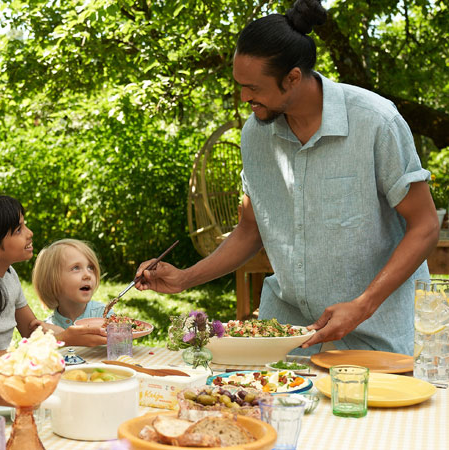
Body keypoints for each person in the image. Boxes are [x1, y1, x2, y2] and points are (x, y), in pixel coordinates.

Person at [135, 0, 439, 356]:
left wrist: (363, 305)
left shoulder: (376, 122)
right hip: (288, 336)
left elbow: (426, 226)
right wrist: (185, 277)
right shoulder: (255, 134)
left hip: (377, 335)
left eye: (253, 88)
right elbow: (251, 229)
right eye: (239, 85)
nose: (244, 97)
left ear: (293, 77)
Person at [0, 199, 107, 379]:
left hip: (2, 383)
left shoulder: (8, 276)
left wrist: (72, 335)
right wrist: (64, 339)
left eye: (24, 225)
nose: (29, 233)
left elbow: (32, 331)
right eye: (18, 230)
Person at [32, 239, 113, 329]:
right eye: (76, 268)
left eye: (90, 267)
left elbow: (123, 341)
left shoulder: (104, 314)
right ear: (51, 279)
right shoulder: (49, 329)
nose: (87, 275)